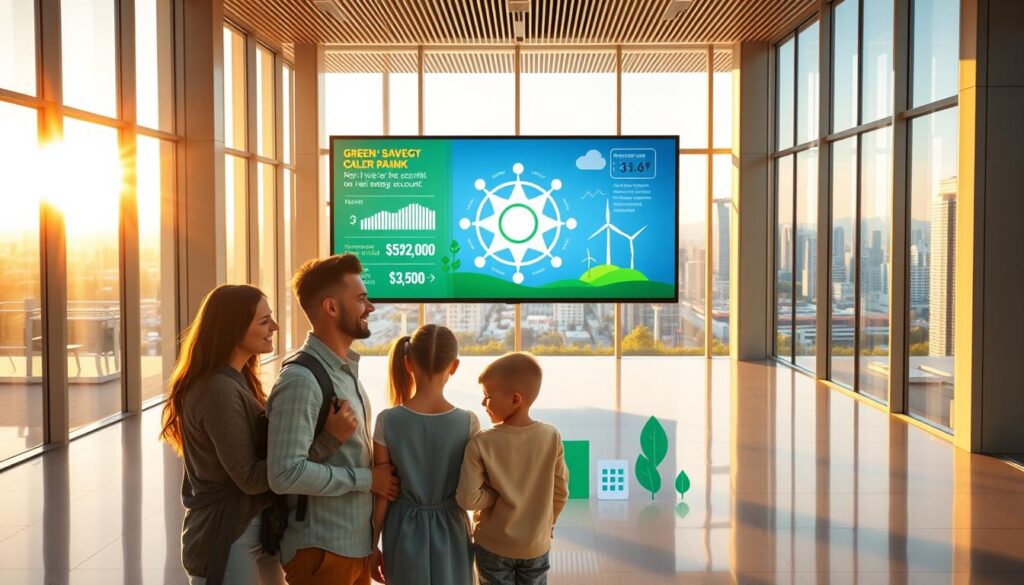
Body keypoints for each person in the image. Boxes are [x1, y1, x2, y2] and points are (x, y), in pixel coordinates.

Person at [160, 284, 359, 585]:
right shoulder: (218, 391)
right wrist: (329, 440)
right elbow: (251, 478)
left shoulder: (236, 380)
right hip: (227, 537)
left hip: (249, 533)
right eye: (264, 321)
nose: (275, 327)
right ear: (234, 328)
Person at [267, 254, 400, 585]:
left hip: (350, 548)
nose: (369, 307)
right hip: (321, 551)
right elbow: (284, 474)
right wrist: (369, 479)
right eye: (360, 299)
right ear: (331, 307)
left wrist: (369, 545)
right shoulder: (301, 380)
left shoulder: (342, 371)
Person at [371, 324, 478, 585]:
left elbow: (382, 493)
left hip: (402, 531)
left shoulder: (387, 420)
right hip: (452, 529)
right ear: (454, 366)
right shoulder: (468, 422)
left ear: (408, 363)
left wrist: (372, 545)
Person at [455, 352, 569, 585]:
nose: (482, 403)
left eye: (487, 396)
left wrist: (495, 495)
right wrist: (548, 524)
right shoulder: (551, 436)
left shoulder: (481, 442)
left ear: (515, 400)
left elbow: (467, 499)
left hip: (492, 545)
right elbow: (561, 491)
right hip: (536, 546)